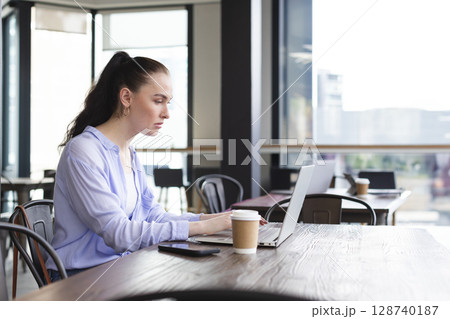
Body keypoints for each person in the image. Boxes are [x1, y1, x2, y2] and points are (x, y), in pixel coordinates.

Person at [46, 51, 234, 281]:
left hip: (120, 267)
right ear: (126, 97)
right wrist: (204, 228)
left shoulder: (129, 153)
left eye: (168, 103)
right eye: (158, 101)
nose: (166, 113)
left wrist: (213, 220)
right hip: (80, 277)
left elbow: (153, 215)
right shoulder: (83, 150)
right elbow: (118, 233)